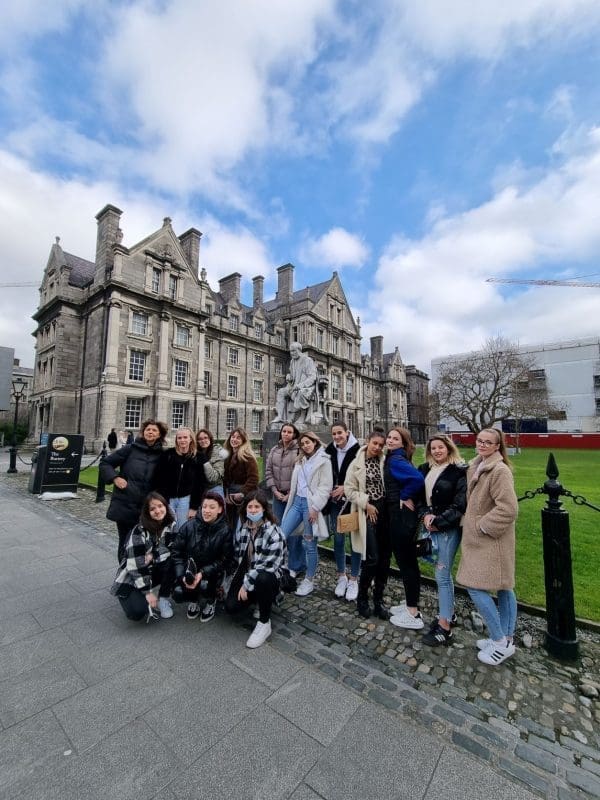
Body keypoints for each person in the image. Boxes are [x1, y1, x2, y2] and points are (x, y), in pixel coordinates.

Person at [457, 428, 519, 666]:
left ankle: (499, 640)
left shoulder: (499, 470)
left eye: (487, 442)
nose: (482, 445)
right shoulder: (478, 465)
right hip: (481, 539)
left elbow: (509, 509)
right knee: (504, 586)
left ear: (496, 446)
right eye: (479, 441)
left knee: (475, 586)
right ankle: (505, 639)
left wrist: (482, 526)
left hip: (492, 540)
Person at [418, 435, 467, 647]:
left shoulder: (458, 471)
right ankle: (449, 613)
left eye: (441, 447)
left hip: (448, 528)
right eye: (433, 448)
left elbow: (460, 504)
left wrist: (439, 521)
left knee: (442, 575)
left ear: (448, 448)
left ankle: (444, 627)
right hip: (430, 525)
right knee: (441, 573)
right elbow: (420, 498)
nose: (437, 451)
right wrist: (425, 515)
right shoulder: (426, 468)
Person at [100, 419, 168, 562]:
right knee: (125, 543)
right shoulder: (130, 449)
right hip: (126, 503)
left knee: (146, 544)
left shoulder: (162, 455)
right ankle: (123, 571)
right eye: (148, 429)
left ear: (160, 435)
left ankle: (140, 571)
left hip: (147, 508)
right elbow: (106, 463)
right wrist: (115, 478)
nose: (150, 432)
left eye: (154, 430)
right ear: (143, 432)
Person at [225, 490, 286, 648]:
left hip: (270, 576)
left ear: (264, 509)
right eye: (250, 507)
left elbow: (267, 566)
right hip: (249, 572)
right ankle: (257, 598)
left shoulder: (274, 533)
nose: (253, 510)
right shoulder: (244, 528)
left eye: (257, 507)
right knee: (231, 607)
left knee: (263, 578)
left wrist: (246, 585)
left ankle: (264, 622)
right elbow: (239, 558)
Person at [383, 427, 426, 629]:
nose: (390, 440)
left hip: (401, 516)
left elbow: (417, 479)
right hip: (399, 514)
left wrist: (404, 495)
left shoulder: (396, 460)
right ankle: (411, 603)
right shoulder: (396, 457)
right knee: (406, 561)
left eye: (395, 438)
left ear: (403, 442)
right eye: (389, 437)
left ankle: (413, 613)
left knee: (406, 561)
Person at [110, 492, 176, 622]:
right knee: (137, 612)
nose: (157, 511)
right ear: (147, 512)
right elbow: (135, 565)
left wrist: (153, 555)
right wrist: (147, 592)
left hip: (153, 568)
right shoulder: (139, 531)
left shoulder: (171, 525)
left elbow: (171, 548)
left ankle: (162, 598)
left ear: (166, 506)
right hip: (134, 574)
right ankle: (136, 593)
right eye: (152, 509)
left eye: (160, 506)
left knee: (173, 561)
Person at [280, 432, 332, 596]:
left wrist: (315, 507)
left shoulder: (324, 460)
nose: (305, 446)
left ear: (315, 442)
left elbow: (325, 487)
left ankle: (309, 580)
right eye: (302, 444)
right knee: (281, 534)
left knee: (310, 544)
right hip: (296, 502)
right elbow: (297, 483)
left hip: (310, 505)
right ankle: (282, 569)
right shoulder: (301, 459)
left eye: (308, 442)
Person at [171, 491, 233, 623]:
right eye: (204, 506)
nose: (207, 511)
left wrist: (203, 573)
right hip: (191, 568)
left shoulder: (225, 531)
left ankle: (211, 601)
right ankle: (194, 600)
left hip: (212, 572)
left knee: (205, 586)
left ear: (220, 509)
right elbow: (176, 552)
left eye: (212, 507)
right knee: (178, 592)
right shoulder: (189, 526)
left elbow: (225, 559)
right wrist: (181, 575)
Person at [343, 430, 387, 618]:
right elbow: (349, 489)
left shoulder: (384, 461)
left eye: (380, 445)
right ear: (368, 441)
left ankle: (378, 599)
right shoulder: (356, 463)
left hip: (384, 511)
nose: (377, 447)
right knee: (372, 558)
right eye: (374, 443)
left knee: (384, 559)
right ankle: (362, 597)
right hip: (366, 511)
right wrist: (366, 504)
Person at [325, 422, 361, 601]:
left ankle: (354, 578)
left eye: (340, 433)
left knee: (354, 542)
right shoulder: (330, 449)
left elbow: (362, 478)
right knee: (338, 540)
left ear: (347, 432)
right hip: (335, 502)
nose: (337, 436)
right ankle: (341, 576)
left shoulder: (358, 451)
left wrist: (345, 489)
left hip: (351, 502)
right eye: (334, 434)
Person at [152, 427, 207, 530]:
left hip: (185, 499)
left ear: (190, 439)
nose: (182, 440)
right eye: (179, 438)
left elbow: (200, 484)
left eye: (185, 437)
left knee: (182, 528)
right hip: (167, 498)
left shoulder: (198, 457)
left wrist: (194, 507)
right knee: (167, 529)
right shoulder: (168, 454)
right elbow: (158, 478)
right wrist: (161, 498)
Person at [272, 342, 318, 427]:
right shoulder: (292, 361)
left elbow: (312, 377)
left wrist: (301, 385)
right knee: (281, 392)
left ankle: (302, 416)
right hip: (294, 386)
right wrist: (289, 376)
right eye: (291, 351)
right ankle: (280, 416)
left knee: (300, 393)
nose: (291, 353)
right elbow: (292, 376)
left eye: (294, 351)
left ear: (299, 350)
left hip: (307, 387)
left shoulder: (307, 360)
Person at [223, 427, 259, 531]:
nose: (234, 439)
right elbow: (226, 478)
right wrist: (226, 494)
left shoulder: (247, 456)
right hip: (231, 496)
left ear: (243, 441)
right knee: (231, 525)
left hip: (244, 496)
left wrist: (242, 493)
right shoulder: (228, 456)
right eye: (233, 437)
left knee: (242, 526)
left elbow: (254, 478)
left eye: (238, 438)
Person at [264, 423, 300, 523]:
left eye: (289, 432)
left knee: (290, 527)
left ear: (294, 434)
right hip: (277, 495)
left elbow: (301, 475)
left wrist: (291, 492)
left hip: (293, 495)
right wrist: (274, 491)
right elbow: (268, 471)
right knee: (277, 524)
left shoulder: (299, 451)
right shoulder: (274, 449)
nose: (286, 434)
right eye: (284, 431)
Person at [196, 429, 225, 494]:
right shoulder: (196, 452)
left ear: (210, 439)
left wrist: (205, 461)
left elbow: (214, 478)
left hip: (214, 487)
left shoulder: (217, 452)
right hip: (200, 488)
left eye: (205, 438)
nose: (203, 441)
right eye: (200, 439)